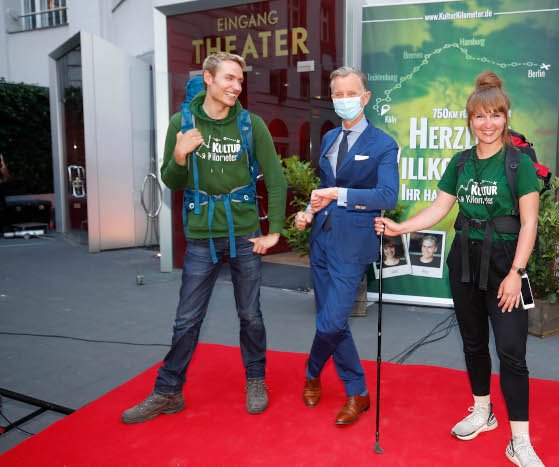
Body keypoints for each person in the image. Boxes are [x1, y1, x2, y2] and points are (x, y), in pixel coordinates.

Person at [375, 71, 544, 466]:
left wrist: (516, 273)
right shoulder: (460, 162)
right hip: (465, 262)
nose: (488, 124)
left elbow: (530, 222)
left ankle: (519, 440)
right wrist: (401, 226)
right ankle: (482, 411)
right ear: (470, 120)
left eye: (495, 116)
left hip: (507, 266)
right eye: (480, 116)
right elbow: (440, 208)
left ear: (506, 117)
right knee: (472, 342)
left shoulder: (520, 163)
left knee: (512, 352)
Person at [122, 52, 287, 423]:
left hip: (245, 234)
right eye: (229, 78)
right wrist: (179, 156)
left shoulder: (250, 124)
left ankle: (256, 379)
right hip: (201, 236)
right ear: (208, 79)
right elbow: (172, 181)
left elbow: (275, 179)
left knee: (250, 315)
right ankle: (168, 392)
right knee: (187, 319)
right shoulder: (182, 122)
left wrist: (274, 230)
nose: (236, 86)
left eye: (240, 80)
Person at [294, 66, 398, 425]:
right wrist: (308, 211)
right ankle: (358, 393)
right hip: (320, 239)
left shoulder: (383, 144)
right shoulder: (328, 140)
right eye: (337, 95)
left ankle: (311, 371)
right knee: (332, 320)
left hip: (353, 245)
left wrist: (339, 194)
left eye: (350, 93)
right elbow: (322, 187)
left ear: (365, 97)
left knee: (331, 321)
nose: (343, 101)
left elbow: (388, 195)